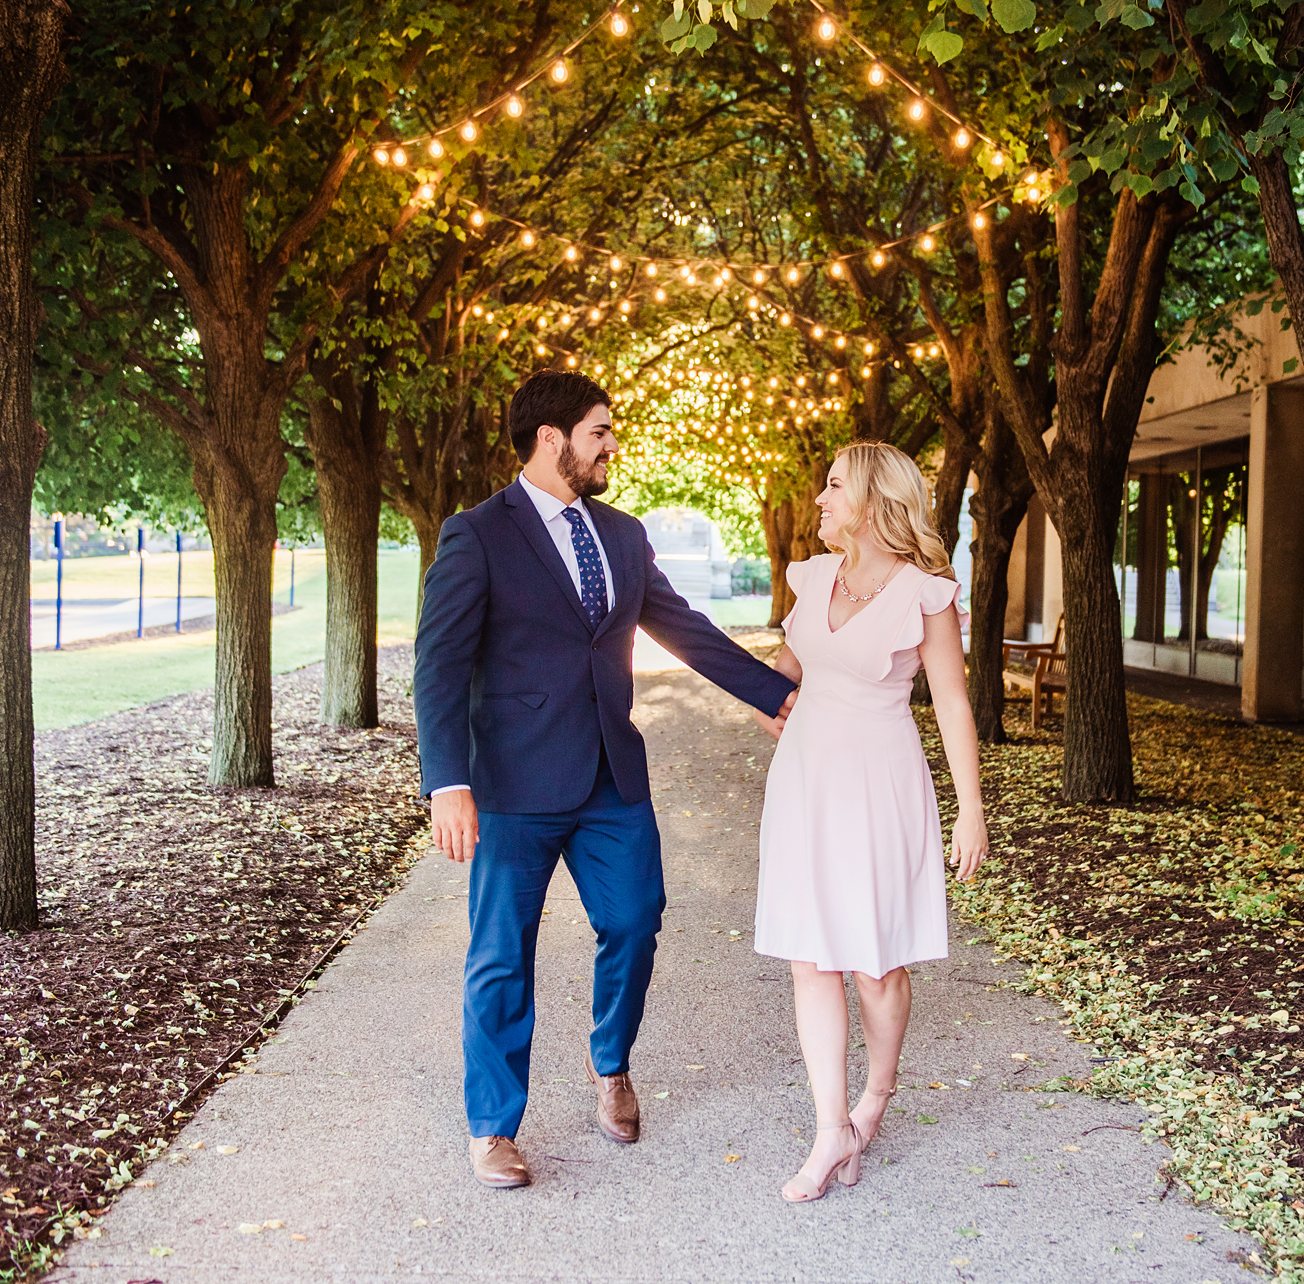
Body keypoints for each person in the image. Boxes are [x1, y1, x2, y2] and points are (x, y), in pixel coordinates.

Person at [413, 371, 798, 1190]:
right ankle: (492, 1128)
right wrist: (448, 781)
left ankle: (611, 1065)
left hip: (610, 779)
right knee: (500, 957)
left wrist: (777, 694)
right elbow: (439, 664)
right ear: (552, 439)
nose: (612, 445)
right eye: (599, 431)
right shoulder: (476, 533)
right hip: (512, 784)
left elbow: (683, 626)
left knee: (635, 920)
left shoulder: (622, 535)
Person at [753, 440, 990, 1202]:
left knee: (875, 965)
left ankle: (874, 1100)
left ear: (873, 501)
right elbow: (786, 671)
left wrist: (971, 810)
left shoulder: (925, 593)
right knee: (808, 954)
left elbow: (952, 703)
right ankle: (830, 1127)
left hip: (880, 786)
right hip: (804, 783)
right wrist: (765, 695)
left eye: (832, 487)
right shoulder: (813, 576)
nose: (817, 500)